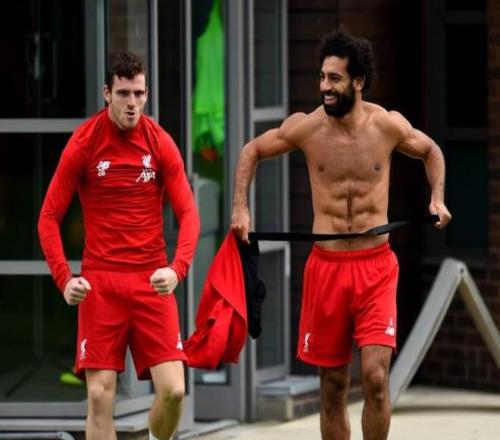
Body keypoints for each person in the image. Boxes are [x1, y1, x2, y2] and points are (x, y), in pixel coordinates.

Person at [231, 27, 451, 440]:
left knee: (375, 377)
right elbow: (252, 151)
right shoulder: (308, 128)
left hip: (376, 268)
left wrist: (436, 198)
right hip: (326, 270)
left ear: (358, 81)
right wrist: (240, 207)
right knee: (332, 386)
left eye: (334, 78)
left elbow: (430, 151)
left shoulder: (386, 125)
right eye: (321, 77)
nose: (324, 87)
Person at [38, 52, 200, 440]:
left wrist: (177, 269)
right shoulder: (84, 142)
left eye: (139, 94)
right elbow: (48, 217)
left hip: (151, 282)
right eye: (124, 93)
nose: (132, 103)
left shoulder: (160, 142)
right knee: (99, 396)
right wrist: (64, 279)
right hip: (102, 285)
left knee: (174, 391)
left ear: (147, 94)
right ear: (107, 93)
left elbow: (189, 214)